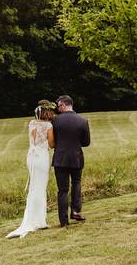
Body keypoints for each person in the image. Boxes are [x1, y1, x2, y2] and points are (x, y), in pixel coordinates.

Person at [6, 100, 57, 238]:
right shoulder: (48, 125)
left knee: (34, 188)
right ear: (46, 112)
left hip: (31, 157)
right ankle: (38, 221)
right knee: (40, 188)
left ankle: (36, 219)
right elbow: (52, 144)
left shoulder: (31, 123)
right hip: (41, 157)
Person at [50, 94, 91, 228]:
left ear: (63, 104)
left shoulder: (55, 121)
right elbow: (86, 142)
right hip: (76, 157)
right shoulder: (83, 120)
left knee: (62, 190)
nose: (57, 109)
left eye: (58, 106)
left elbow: (53, 141)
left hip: (60, 159)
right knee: (76, 183)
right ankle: (75, 211)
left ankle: (63, 220)